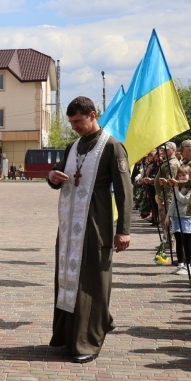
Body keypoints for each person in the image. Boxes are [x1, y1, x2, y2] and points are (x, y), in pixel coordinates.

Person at [47, 96, 132, 364]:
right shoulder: (72, 146)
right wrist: (52, 177)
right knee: (68, 279)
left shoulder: (113, 147)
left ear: (92, 115)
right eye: (71, 122)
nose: (74, 127)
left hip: (95, 224)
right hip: (69, 226)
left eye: (78, 122)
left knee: (93, 281)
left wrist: (124, 230)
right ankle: (70, 336)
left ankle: (88, 342)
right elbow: (58, 176)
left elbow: (125, 192)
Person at [164, 165, 191, 275]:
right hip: (176, 216)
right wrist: (168, 215)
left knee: (187, 241)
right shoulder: (178, 187)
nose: (181, 177)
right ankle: (180, 263)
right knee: (178, 241)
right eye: (179, 175)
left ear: (189, 175)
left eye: (184, 175)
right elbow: (173, 203)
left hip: (186, 217)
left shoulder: (190, 187)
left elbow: (185, 200)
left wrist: (176, 191)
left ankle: (188, 265)